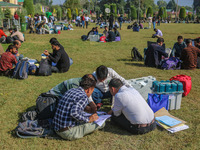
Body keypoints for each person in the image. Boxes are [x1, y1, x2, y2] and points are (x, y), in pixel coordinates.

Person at [53, 74, 105, 141]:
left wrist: (85, 109)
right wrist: (88, 119)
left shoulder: (71, 90)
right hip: (67, 132)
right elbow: (74, 113)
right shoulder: (83, 96)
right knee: (102, 123)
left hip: (56, 127)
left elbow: (70, 107)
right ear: (89, 90)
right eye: (92, 90)